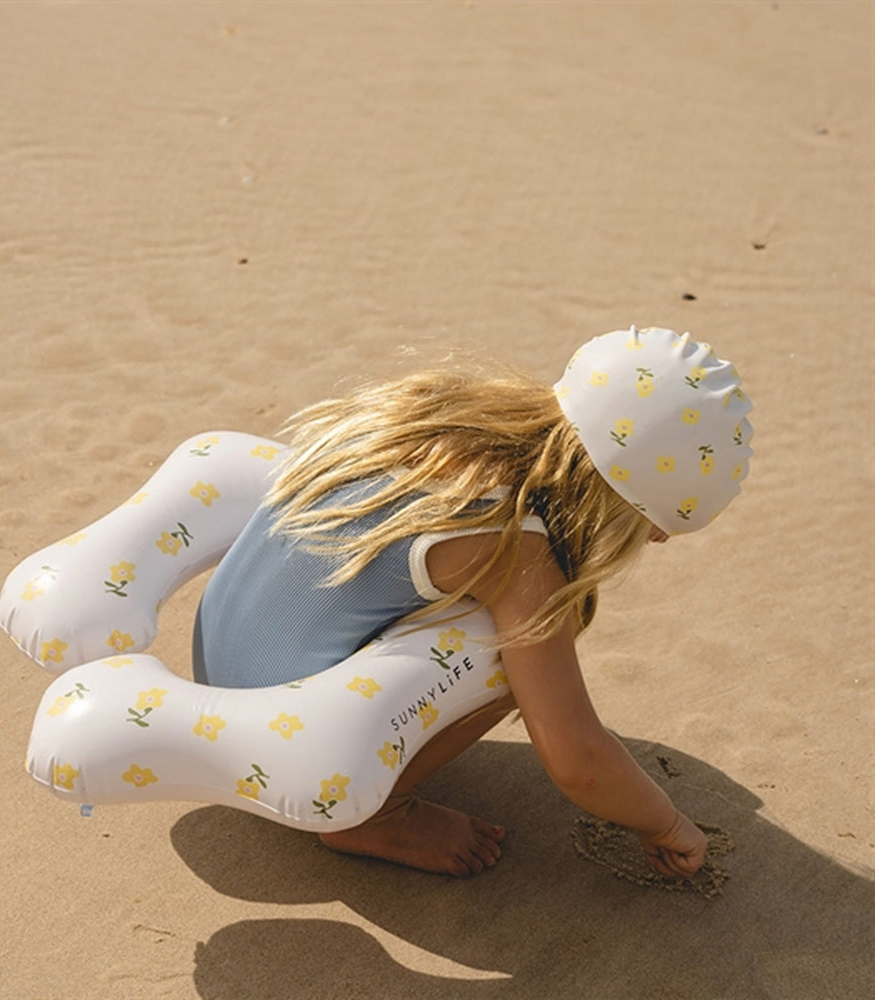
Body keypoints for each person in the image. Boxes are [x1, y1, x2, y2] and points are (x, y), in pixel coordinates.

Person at [192, 325, 753, 877]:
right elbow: (577, 760)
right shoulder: (516, 548)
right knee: (514, 643)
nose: (657, 539)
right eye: (654, 524)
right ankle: (375, 815)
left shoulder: (435, 413)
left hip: (214, 670)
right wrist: (665, 823)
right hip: (283, 755)